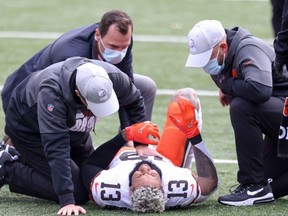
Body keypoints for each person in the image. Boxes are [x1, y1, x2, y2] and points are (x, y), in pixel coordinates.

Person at [0, 57, 161, 216]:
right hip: (30, 131)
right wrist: (67, 200)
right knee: (78, 193)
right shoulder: (52, 93)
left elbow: (135, 101)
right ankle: (7, 166)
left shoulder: (113, 77)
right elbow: (57, 148)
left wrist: (141, 143)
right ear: (78, 93)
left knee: (87, 179)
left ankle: (18, 160)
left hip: (73, 130)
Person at [185, 19, 288, 206]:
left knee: (242, 107)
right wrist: (230, 87)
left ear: (223, 46)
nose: (204, 64)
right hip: (281, 118)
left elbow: (260, 89)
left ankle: (253, 185)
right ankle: (259, 186)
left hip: (284, 111)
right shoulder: (222, 58)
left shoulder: (247, 48)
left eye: (206, 56)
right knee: (269, 184)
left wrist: (227, 85)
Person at [1, 9, 156, 130]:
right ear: (97, 35)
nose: (119, 51)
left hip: (79, 84)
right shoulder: (70, 52)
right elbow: (56, 100)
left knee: (145, 86)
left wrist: (131, 137)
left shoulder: (120, 39)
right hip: (25, 97)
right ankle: (11, 147)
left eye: (124, 46)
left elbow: (128, 89)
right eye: (114, 47)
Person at [80, 88, 218, 212]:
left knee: (128, 98)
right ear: (163, 188)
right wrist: (194, 135)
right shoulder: (180, 189)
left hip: (125, 152)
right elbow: (210, 181)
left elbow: (90, 165)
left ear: (130, 189)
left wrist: (124, 135)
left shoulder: (108, 188)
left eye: (139, 175)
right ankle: (181, 165)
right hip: (166, 160)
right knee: (186, 96)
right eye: (152, 175)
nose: (145, 168)